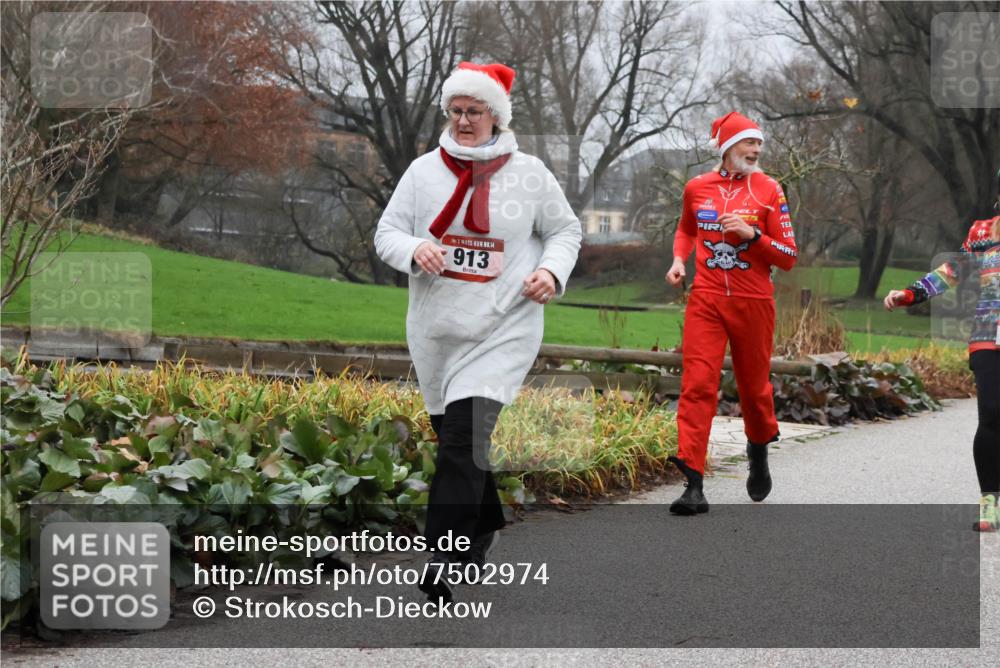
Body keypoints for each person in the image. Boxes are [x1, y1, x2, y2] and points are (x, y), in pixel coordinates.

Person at [374, 62, 582, 600]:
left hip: (504, 327)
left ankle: (442, 557)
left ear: (497, 115)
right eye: (456, 111)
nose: (464, 121)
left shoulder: (530, 173)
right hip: (438, 331)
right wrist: (414, 248)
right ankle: (483, 525)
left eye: (474, 111)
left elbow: (565, 230)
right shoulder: (422, 172)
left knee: (464, 439)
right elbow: (387, 232)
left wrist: (550, 271)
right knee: (458, 441)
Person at [664, 111, 798, 514]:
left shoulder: (770, 189)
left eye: (759, 144)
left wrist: (752, 235)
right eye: (749, 142)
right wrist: (678, 260)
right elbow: (687, 229)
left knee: (754, 390)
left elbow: (788, 256)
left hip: (753, 301)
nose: (756, 150)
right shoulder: (696, 187)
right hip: (706, 298)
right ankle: (693, 483)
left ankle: (758, 450)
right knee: (697, 385)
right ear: (727, 147)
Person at [883, 169, 1000, 532]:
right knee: (992, 415)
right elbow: (951, 272)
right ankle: (990, 502)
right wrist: (910, 294)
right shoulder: (983, 233)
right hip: (989, 334)